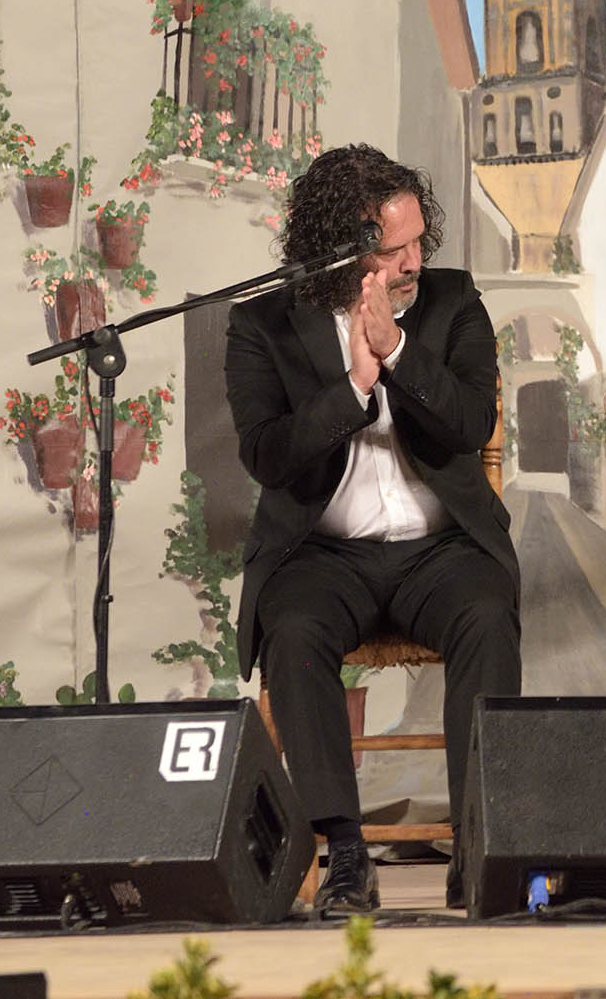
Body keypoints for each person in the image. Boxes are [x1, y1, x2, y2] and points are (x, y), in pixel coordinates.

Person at [226, 143, 520, 915]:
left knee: (489, 613)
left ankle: (482, 846)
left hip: (441, 548)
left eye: (420, 240)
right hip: (323, 553)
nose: (416, 259)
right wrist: (355, 385)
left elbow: (469, 421)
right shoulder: (263, 324)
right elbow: (268, 454)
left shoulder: (455, 303)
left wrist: (396, 351)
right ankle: (347, 851)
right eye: (397, 249)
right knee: (290, 629)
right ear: (345, 248)